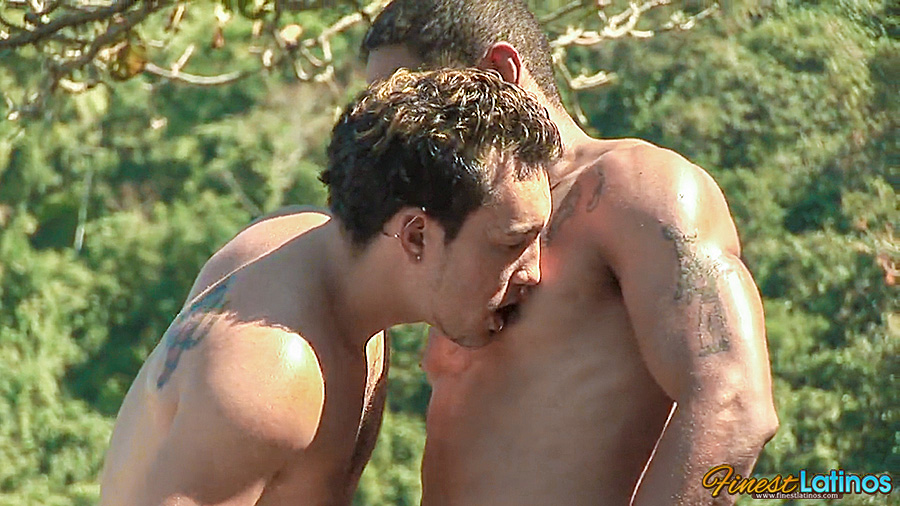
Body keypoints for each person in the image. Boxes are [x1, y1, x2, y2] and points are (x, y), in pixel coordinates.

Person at [364, 1, 779, 505]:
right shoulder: (446, 227)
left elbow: (733, 402)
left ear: (500, 71)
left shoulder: (638, 189)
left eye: (416, 104)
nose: (397, 137)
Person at [98, 67, 561, 506]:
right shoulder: (272, 374)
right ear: (416, 236)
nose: (534, 271)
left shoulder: (325, 260)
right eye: (511, 244)